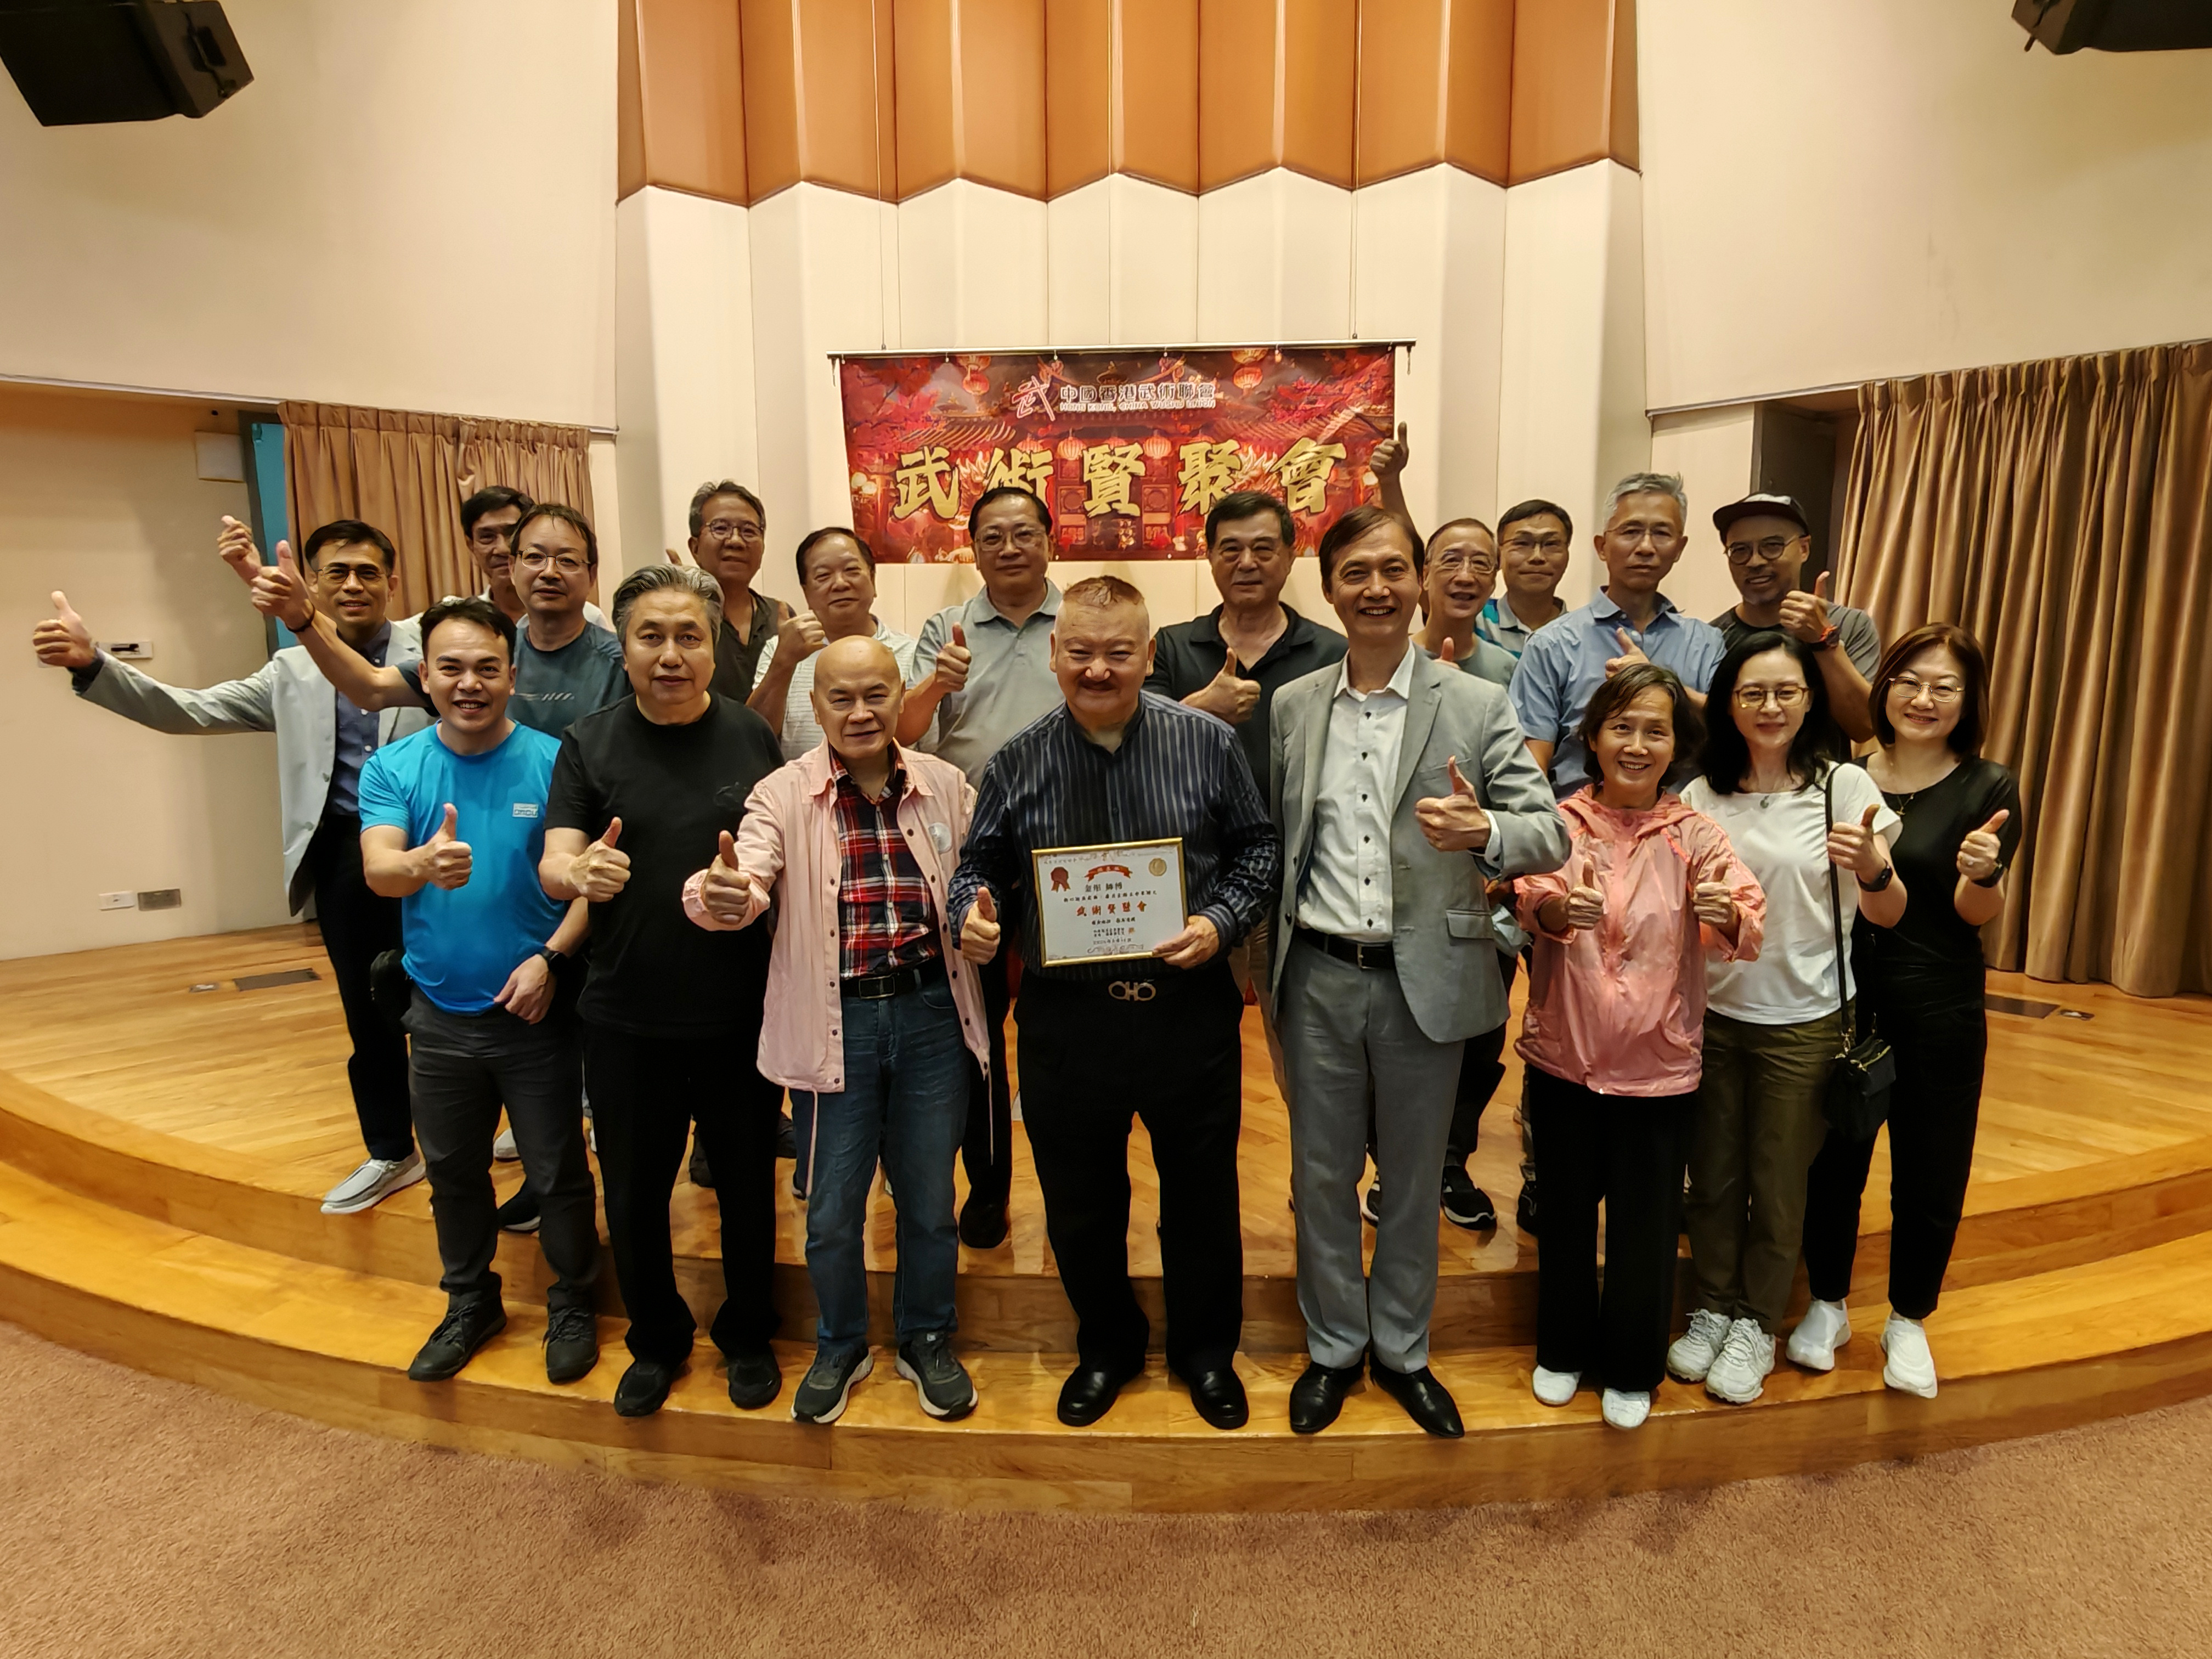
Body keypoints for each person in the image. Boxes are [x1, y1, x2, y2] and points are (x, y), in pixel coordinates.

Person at [949, 575, 1280, 1431]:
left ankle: (1207, 1354)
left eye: (1119, 653)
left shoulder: (1206, 743)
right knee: (1080, 1200)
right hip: (1069, 1020)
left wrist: (1220, 921)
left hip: (1186, 1012)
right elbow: (979, 867)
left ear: (1150, 655)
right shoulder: (1017, 761)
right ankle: (1107, 1346)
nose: (1098, 669)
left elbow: (1257, 852)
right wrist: (971, 917)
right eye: (1082, 652)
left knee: (1201, 1196)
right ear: (1054, 653)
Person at [1269, 507, 1568, 1438]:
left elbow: (1549, 832)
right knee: (1321, 1176)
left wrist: (1487, 831)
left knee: (1410, 1178)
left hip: (1426, 977)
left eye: (1394, 569)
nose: (1377, 588)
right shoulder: (1293, 704)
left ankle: (1401, 1348)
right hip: (1317, 973)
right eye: (1355, 571)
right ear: (1329, 588)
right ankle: (1333, 1347)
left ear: (1420, 582)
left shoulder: (1474, 701)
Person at [31, 520, 430, 1215]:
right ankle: (393, 1151)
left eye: (368, 572)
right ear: (313, 584)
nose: (354, 585)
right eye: (336, 573)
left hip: (435, 852)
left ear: (393, 582)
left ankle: (490, 1137)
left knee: (461, 1000)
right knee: (369, 1013)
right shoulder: (292, 671)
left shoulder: (433, 650)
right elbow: (191, 711)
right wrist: (94, 665)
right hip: (343, 854)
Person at [684, 636, 983, 1424]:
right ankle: (841, 1342)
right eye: (840, 698)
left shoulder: (947, 784)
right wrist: (722, 894)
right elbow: (747, 875)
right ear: (815, 708)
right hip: (833, 1018)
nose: (860, 712)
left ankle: (927, 1337)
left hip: (931, 1015)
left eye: (876, 695)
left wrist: (985, 917)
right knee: (831, 1208)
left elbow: (979, 879)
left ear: (901, 698)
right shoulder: (782, 793)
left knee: (929, 1199)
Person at [539, 565, 788, 1418]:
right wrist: (577, 871)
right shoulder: (589, 742)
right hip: (624, 1015)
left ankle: (748, 1333)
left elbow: (777, 860)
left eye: (690, 636)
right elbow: (556, 858)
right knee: (636, 1194)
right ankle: (656, 1339)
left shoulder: (750, 736)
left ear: (714, 647)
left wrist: (750, 892)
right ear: (625, 647)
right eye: (652, 636)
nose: (671, 654)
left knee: (747, 1187)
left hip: (737, 1012)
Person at [356, 597, 600, 1386]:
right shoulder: (394, 766)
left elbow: (590, 886)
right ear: (425, 677)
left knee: (558, 1173)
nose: (470, 683)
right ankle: (470, 1301)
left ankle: (573, 1299)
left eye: (487, 668)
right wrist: (421, 865)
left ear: (512, 675)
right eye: (452, 668)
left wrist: (551, 961)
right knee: (454, 1174)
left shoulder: (558, 760)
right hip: (437, 1015)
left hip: (537, 1010)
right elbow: (379, 868)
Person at [1513, 664, 1764, 1431]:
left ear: (1676, 746)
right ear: (1592, 738)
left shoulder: (1696, 833)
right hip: (1564, 1059)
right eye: (1621, 727)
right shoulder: (1559, 822)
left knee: (1647, 1226)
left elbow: (1747, 915)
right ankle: (1562, 1349)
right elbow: (1523, 894)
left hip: (1660, 1068)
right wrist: (1556, 910)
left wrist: (1726, 911)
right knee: (1563, 1216)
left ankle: (1630, 1366)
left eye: (1656, 730)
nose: (1637, 744)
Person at [1668, 633, 1904, 1405]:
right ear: (1727, 704)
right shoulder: (1699, 798)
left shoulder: (1845, 787)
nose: (1769, 707)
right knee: (1711, 1177)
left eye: (1786, 692)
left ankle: (1756, 1322)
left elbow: (1889, 913)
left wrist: (1872, 866)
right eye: (1752, 693)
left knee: (1777, 1184)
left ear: (1809, 701)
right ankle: (1711, 1306)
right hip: (1711, 1016)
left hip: (1805, 1019)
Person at [1795, 623, 2021, 1400]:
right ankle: (1827, 1302)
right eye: (1909, 681)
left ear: (1968, 701)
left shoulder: (1988, 786)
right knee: (1834, 1159)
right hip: (1846, 996)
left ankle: (1909, 1318)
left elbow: (1971, 912)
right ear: (1883, 687)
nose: (1924, 699)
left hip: (1940, 1000)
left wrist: (1984, 874)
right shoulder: (1842, 778)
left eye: (1944, 687)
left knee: (1932, 1164)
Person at [901, 485, 1068, 1250]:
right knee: (977, 1031)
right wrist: (938, 681)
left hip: (1069, 852)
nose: (1009, 547)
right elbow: (906, 731)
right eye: (992, 536)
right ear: (972, 549)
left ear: (1050, 541)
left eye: (1023, 532)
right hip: (974, 852)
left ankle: (1072, 1193)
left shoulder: (1079, 620)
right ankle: (989, 1189)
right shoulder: (947, 628)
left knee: (1060, 1029)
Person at [1143, 489, 1346, 1090]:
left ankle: (1311, 1154)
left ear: (1290, 555)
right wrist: (1198, 709)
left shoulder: (1331, 651)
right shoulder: (1172, 645)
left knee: (1304, 1052)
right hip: (1201, 881)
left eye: (1263, 548)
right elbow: (1133, 748)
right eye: (1230, 549)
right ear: (1208, 558)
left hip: (1302, 882)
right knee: (1197, 1046)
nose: (1247, 563)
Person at [249, 504, 628, 739]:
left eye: (567, 560)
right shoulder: (486, 653)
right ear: (512, 568)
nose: (549, 572)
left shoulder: (621, 661)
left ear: (592, 574)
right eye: (534, 557)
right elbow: (371, 688)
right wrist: (301, 617)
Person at [1509, 471, 1727, 798]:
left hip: (1683, 821)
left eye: (1662, 533)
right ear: (1602, 546)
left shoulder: (1706, 643)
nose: (1646, 547)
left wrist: (1658, 680)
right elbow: (1531, 765)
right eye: (1631, 531)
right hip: (1577, 821)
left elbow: (1735, 733)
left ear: (1679, 547)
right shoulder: (1552, 645)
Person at [1709, 493, 1880, 742]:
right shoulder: (1712, 638)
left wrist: (1823, 641)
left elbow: (1865, 727)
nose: (1755, 561)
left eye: (1772, 546)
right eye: (1740, 550)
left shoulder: (1849, 625)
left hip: (1823, 769)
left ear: (1804, 549)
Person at [749, 528, 918, 763]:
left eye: (851, 570)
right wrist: (783, 663)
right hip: (804, 785)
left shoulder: (912, 652)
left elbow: (924, 744)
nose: (840, 584)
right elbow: (755, 738)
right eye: (823, 576)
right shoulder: (781, 649)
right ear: (806, 592)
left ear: (873, 579)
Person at [680, 481, 790, 701]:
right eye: (721, 528)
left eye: (749, 531)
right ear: (695, 548)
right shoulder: (682, 620)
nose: (736, 541)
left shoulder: (780, 617)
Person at [1414, 517, 1516, 688]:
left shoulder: (1507, 670)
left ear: (1493, 583)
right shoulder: (1393, 660)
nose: (1465, 577)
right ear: (1425, 577)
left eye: (1481, 563)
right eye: (1451, 561)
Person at [1476, 499, 1573, 660]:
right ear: (1499, 554)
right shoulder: (1472, 622)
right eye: (1522, 543)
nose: (1537, 557)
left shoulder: (1582, 633)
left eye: (1551, 544)